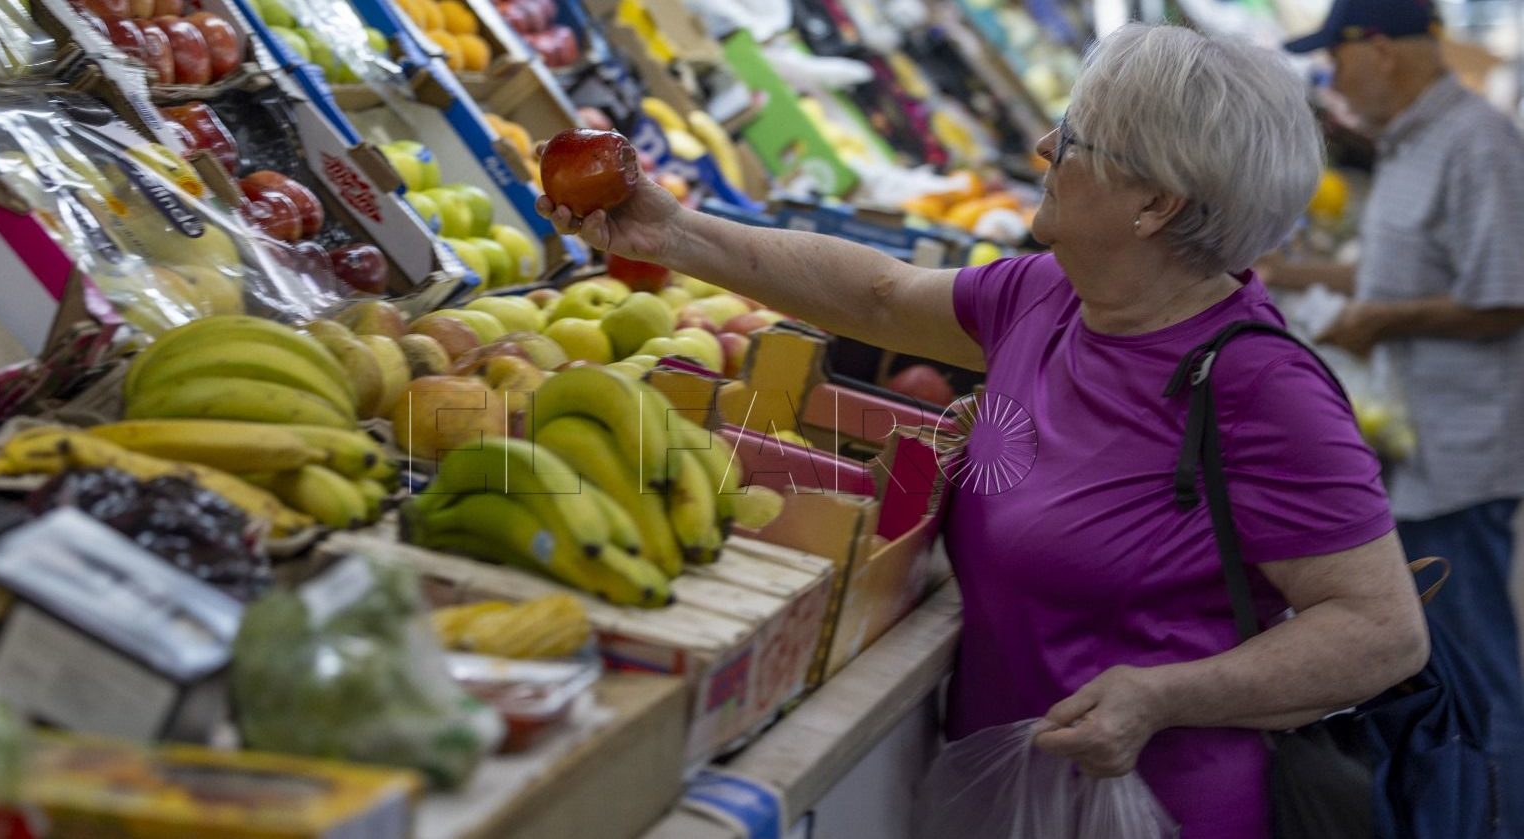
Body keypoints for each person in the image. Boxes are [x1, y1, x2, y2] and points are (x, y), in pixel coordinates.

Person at [539, 24, 1429, 839]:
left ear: (1154, 202)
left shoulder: (1259, 385)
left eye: (1075, 142)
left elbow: (1381, 629)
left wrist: (1161, 696)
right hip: (1009, 784)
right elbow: (875, 295)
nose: (1044, 150)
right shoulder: (1049, 298)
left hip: (1154, 807)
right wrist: (671, 230)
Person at [1265, 1, 1524, 831]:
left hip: (1458, 458)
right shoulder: (1413, 143)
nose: (1332, 84)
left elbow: (1506, 298)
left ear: (1373, 48)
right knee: (1432, 667)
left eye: (1333, 61)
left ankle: (1497, 815)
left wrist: (1375, 322)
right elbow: (1393, 273)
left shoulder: (1475, 144)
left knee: (1476, 676)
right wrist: (1293, 270)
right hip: (1411, 452)